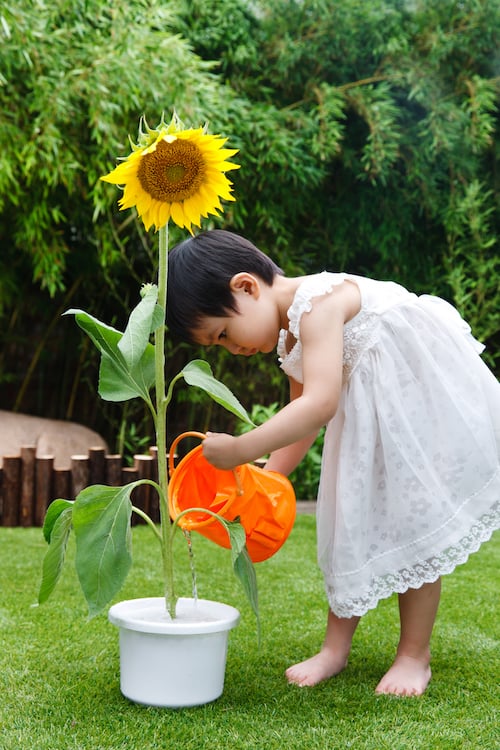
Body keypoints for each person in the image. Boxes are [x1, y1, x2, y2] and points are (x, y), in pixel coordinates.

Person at [166, 229, 500, 697]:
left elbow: (320, 404)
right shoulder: (289, 337)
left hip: (413, 407)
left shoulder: (317, 303)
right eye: (218, 345)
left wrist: (242, 449)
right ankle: (335, 649)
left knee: (411, 522)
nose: (231, 349)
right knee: (348, 522)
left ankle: (413, 656)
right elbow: (300, 419)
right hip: (371, 423)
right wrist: (268, 477)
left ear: (246, 286)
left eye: (223, 333)